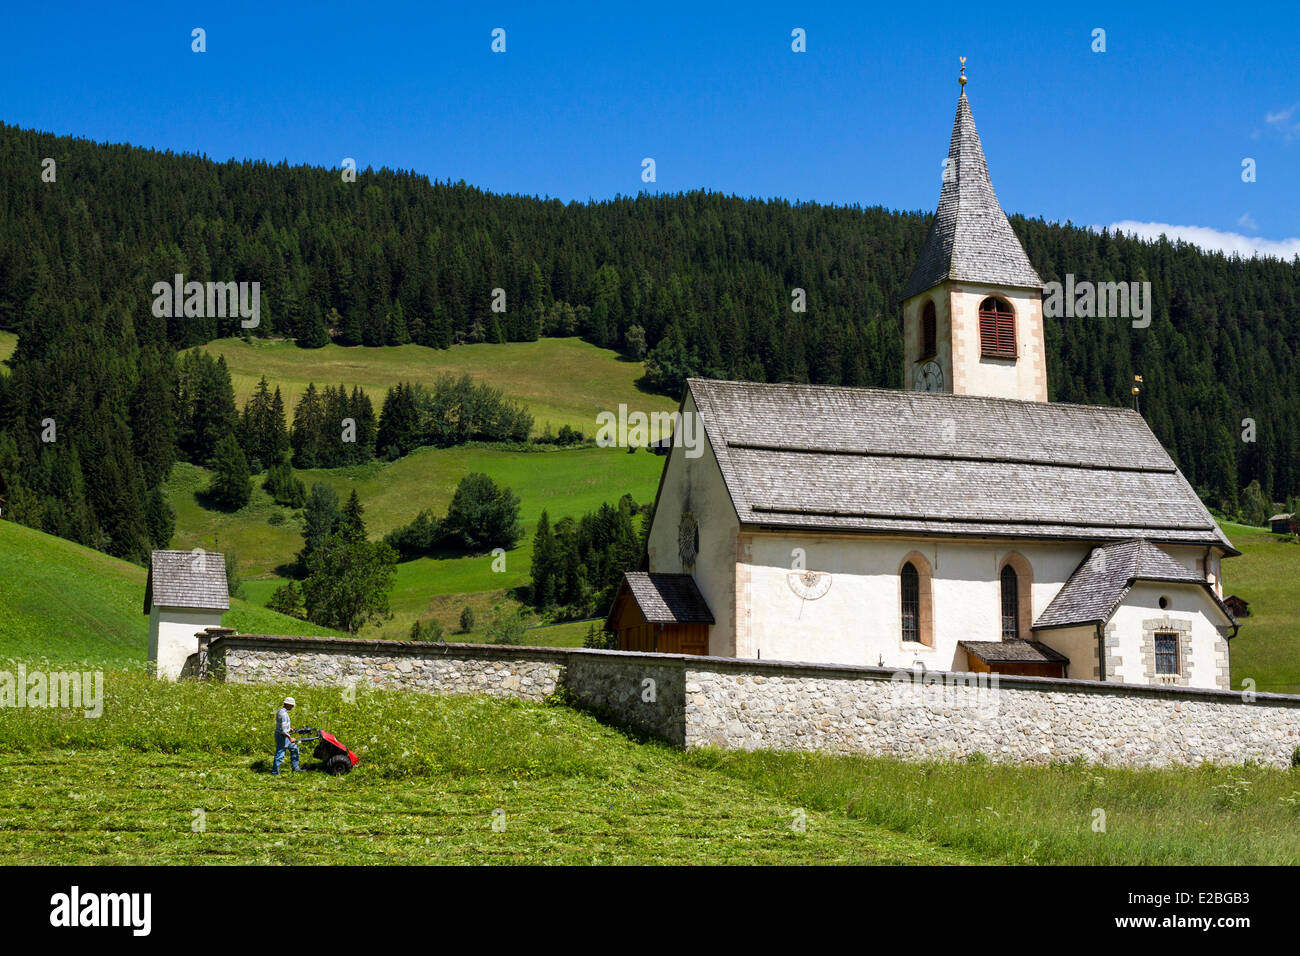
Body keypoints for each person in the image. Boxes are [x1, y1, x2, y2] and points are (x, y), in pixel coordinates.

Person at [272, 696, 303, 775]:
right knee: (280, 753)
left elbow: (283, 727)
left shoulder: (282, 711)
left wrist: (290, 729)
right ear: (287, 704)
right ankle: (275, 773)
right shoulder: (283, 714)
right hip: (282, 736)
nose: (292, 707)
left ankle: (295, 767)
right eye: (292, 705)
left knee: (294, 748)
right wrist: (290, 738)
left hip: (283, 734)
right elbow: (283, 730)